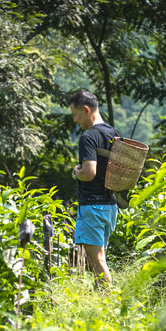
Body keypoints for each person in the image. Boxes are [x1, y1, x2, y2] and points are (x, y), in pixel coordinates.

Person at [69, 90, 119, 288]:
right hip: (109, 206)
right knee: (98, 259)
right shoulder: (114, 133)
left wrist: (76, 172)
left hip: (93, 206)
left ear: (86, 110)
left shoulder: (88, 137)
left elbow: (89, 172)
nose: (75, 120)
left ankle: (109, 305)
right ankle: (103, 300)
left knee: (97, 261)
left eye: (76, 114)